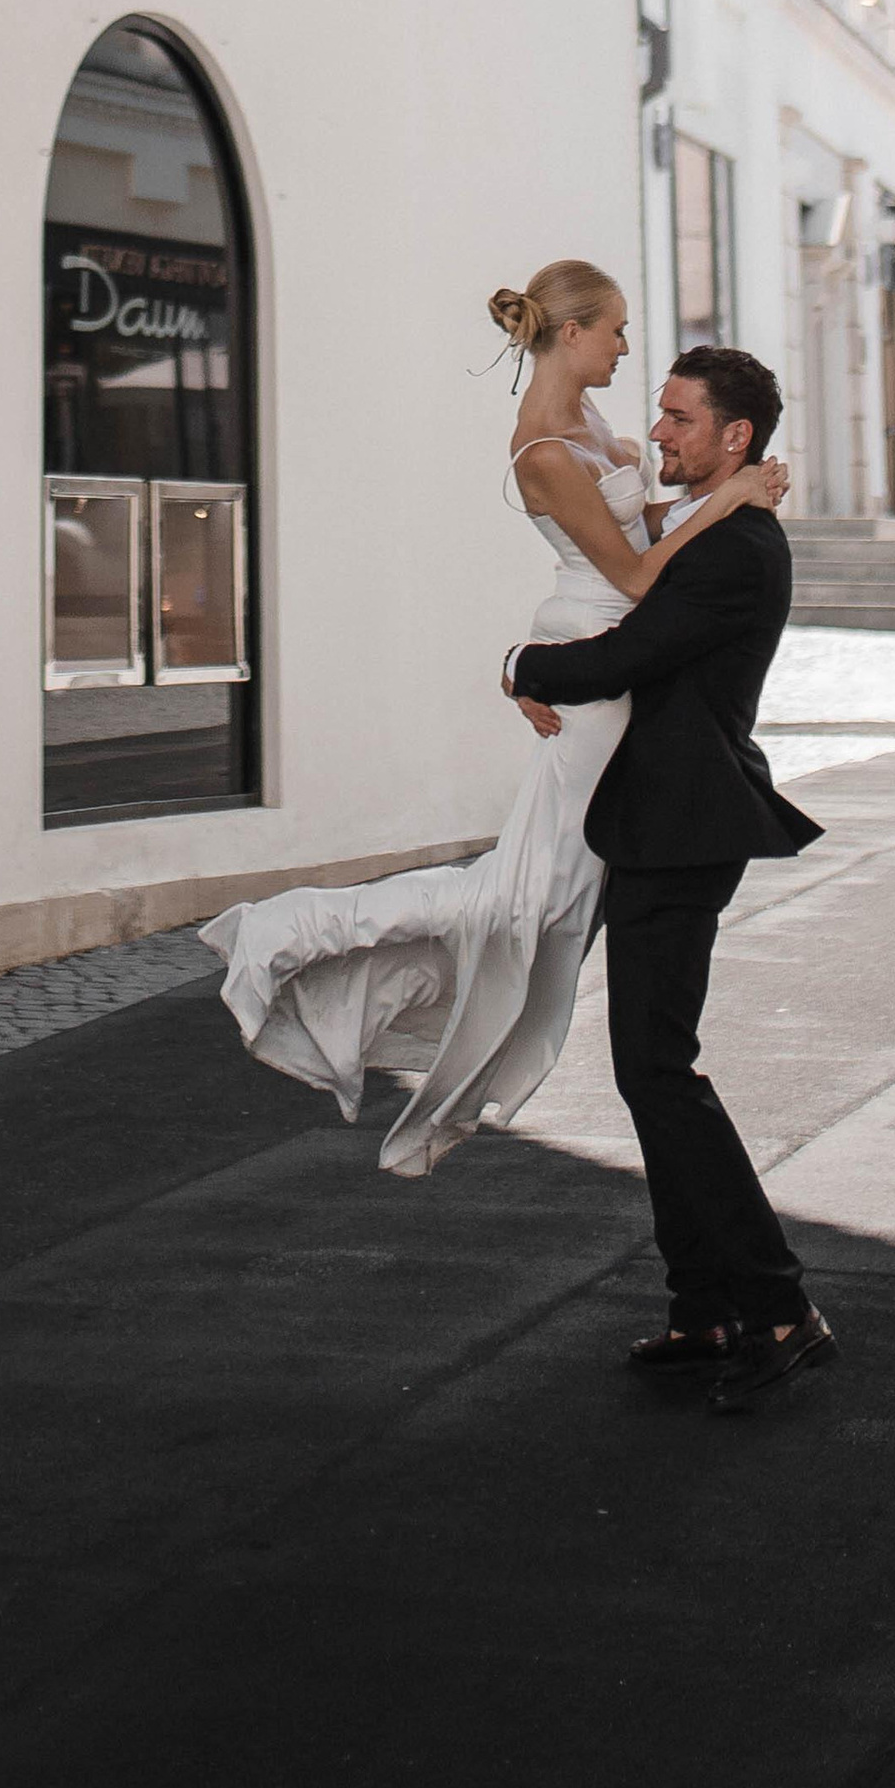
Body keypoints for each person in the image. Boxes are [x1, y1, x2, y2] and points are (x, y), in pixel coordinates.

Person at [201, 259, 787, 1178]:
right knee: (522, 897)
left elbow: (640, 531)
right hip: (601, 641)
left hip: (603, 643)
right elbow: (637, 577)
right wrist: (728, 501)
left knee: (545, 896)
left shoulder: (589, 424)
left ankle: (481, 1037)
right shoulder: (544, 448)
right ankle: (291, 935)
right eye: (617, 331)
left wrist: (711, 497)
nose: (626, 348)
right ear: (572, 333)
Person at [504, 341, 833, 1414]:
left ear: (735, 437)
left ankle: (776, 1305)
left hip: (686, 828)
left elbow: (622, 654)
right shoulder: (719, 528)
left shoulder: (736, 547)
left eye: (679, 419)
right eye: (658, 414)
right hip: (658, 820)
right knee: (651, 1068)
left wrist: (519, 666)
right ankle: (703, 1307)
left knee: (660, 1069)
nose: (657, 434)